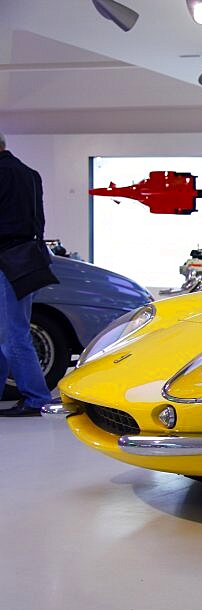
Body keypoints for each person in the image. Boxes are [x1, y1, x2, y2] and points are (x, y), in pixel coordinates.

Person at [0, 132, 59, 417]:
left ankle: (37, 398)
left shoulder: (3, 174)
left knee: (13, 335)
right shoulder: (29, 174)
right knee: (7, 333)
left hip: (6, 262)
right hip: (27, 260)